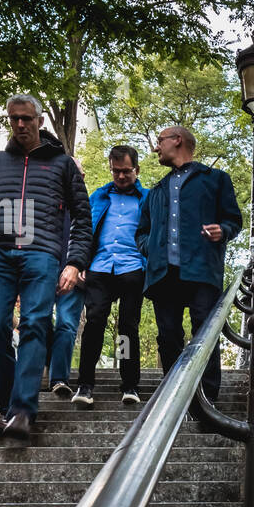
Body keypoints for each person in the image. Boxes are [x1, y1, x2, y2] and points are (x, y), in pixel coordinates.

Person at [0, 93, 92, 441]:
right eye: (14, 119)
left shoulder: (63, 165)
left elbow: (83, 218)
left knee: (36, 323)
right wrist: (5, 216)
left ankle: (23, 411)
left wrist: (75, 263)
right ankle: (8, 410)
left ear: (39, 121)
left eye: (26, 118)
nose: (20, 124)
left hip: (43, 255)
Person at [135, 125, 241, 410]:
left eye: (159, 141)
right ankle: (174, 400)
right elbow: (141, 232)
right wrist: (151, 248)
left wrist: (224, 230)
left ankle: (207, 402)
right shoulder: (154, 192)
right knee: (168, 337)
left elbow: (234, 220)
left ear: (177, 141)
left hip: (201, 270)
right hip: (162, 274)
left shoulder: (216, 180)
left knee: (204, 336)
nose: (156, 148)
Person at [72, 145, 147, 407]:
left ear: (137, 170)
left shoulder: (147, 199)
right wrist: (80, 262)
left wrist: (148, 266)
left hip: (132, 269)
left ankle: (129, 385)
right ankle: (85, 384)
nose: (121, 176)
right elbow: (83, 231)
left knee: (127, 329)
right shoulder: (99, 197)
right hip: (100, 268)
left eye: (126, 171)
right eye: (116, 172)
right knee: (93, 323)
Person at [46, 157, 90, 398]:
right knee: (37, 323)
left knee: (66, 325)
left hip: (76, 275)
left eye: (79, 174)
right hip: (43, 272)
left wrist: (85, 265)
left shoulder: (90, 204)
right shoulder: (44, 202)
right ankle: (39, 370)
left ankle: (58, 379)